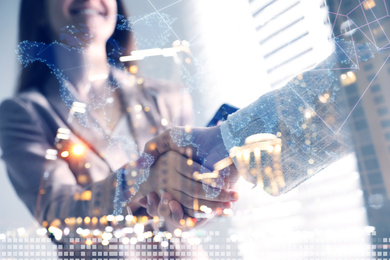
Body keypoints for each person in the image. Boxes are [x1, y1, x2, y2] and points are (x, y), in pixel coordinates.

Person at [0, 0, 238, 259]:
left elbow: (181, 214)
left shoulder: (169, 97)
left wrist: (196, 201)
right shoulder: (24, 114)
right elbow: (62, 220)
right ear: (38, 10)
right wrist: (142, 180)